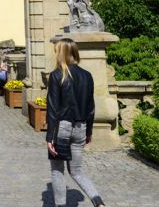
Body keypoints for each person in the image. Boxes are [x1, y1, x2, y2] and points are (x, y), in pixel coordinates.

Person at [47, 39, 105, 207]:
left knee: (57, 171)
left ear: (61, 53)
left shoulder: (57, 75)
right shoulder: (87, 76)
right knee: (77, 171)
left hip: (61, 128)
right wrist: (89, 132)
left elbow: (52, 108)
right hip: (81, 127)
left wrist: (50, 136)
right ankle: (99, 203)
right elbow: (91, 107)